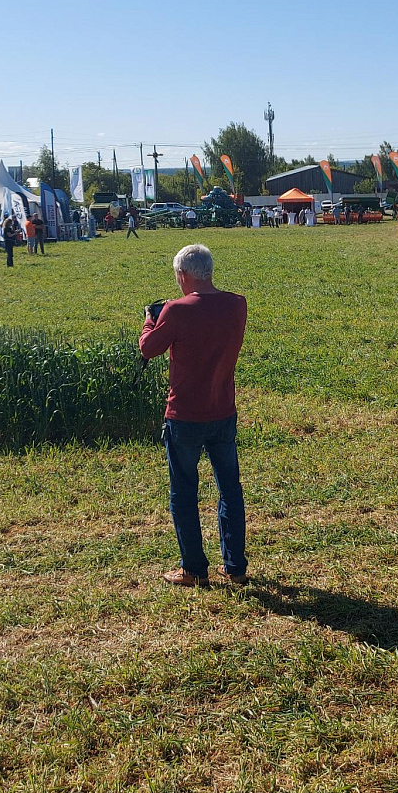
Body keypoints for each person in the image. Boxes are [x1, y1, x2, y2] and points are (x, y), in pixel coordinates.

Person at [139, 244, 249, 588]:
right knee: (229, 489)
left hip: (184, 414)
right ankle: (235, 567)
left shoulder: (175, 310)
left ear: (183, 275)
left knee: (184, 492)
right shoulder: (237, 305)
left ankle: (193, 569)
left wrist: (149, 319)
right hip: (222, 409)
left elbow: (148, 348)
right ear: (209, 271)